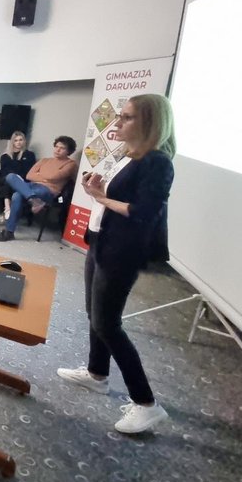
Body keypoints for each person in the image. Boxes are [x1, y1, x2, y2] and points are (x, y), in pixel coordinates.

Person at [57, 95, 175, 434]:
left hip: (122, 251)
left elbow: (142, 213)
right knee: (94, 314)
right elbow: (122, 198)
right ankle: (97, 374)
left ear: (149, 122)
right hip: (101, 241)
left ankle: (146, 404)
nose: (118, 123)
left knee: (109, 324)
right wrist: (100, 189)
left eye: (127, 117)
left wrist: (101, 197)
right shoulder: (129, 156)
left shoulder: (158, 162)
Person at [0, 136, 79, 242]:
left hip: (48, 191)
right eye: (56, 146)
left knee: (17, 195)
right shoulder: (45, 160)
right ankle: (34, 200)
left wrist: (40, 175)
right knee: (10, 176)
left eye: (62, 148)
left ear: (69, 151)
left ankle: (9, 231)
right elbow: (29, 175)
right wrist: (45, 177)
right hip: (32, 186)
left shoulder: (71, 164)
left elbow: (54, 176)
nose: (58, 149)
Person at [0, 131, 37, 222]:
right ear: (12, 142)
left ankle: (6, 211)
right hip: (6, 179)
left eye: (21, 140)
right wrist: (14, 175)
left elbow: (28, 171)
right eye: (16, 140)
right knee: (9, 179)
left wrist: (16, 175)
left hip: (22, 180)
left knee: (11, 181)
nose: (18, 142)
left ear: (24, 141)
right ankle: (8, 208)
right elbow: (4, 171)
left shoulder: (29, 155)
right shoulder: (5, 156)